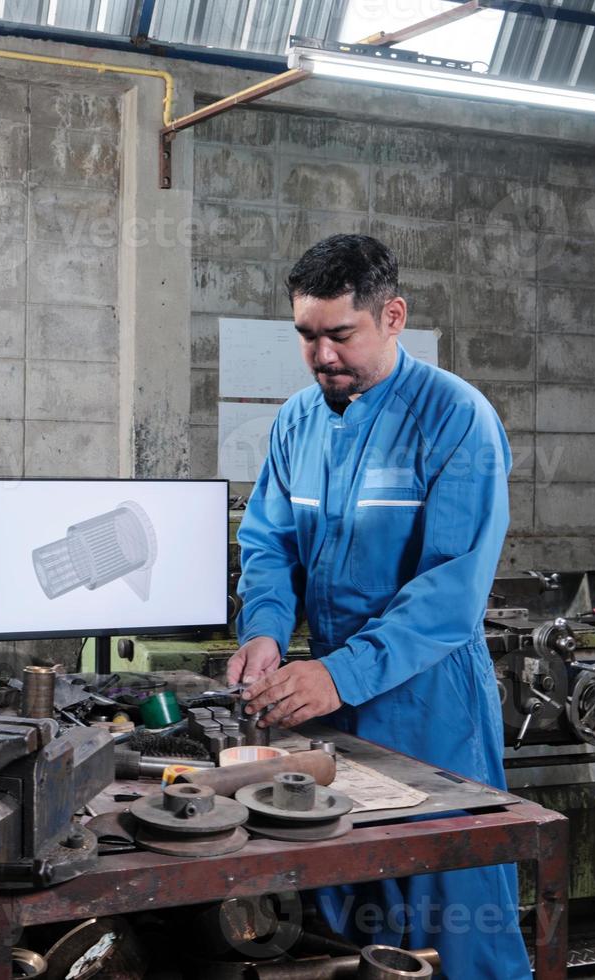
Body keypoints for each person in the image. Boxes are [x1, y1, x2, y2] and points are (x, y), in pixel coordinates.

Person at [227, 235, 531, 979]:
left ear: (392, 316)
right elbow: (268, 544)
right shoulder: (297, 423)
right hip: (327, 708)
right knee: (345, 917)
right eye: (306, 335)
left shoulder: (457, 419)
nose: (322, 355)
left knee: (449, 914)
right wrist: (265, 631)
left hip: (431, 709)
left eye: (340, 335)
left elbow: (450, 593)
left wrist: (339, 674)